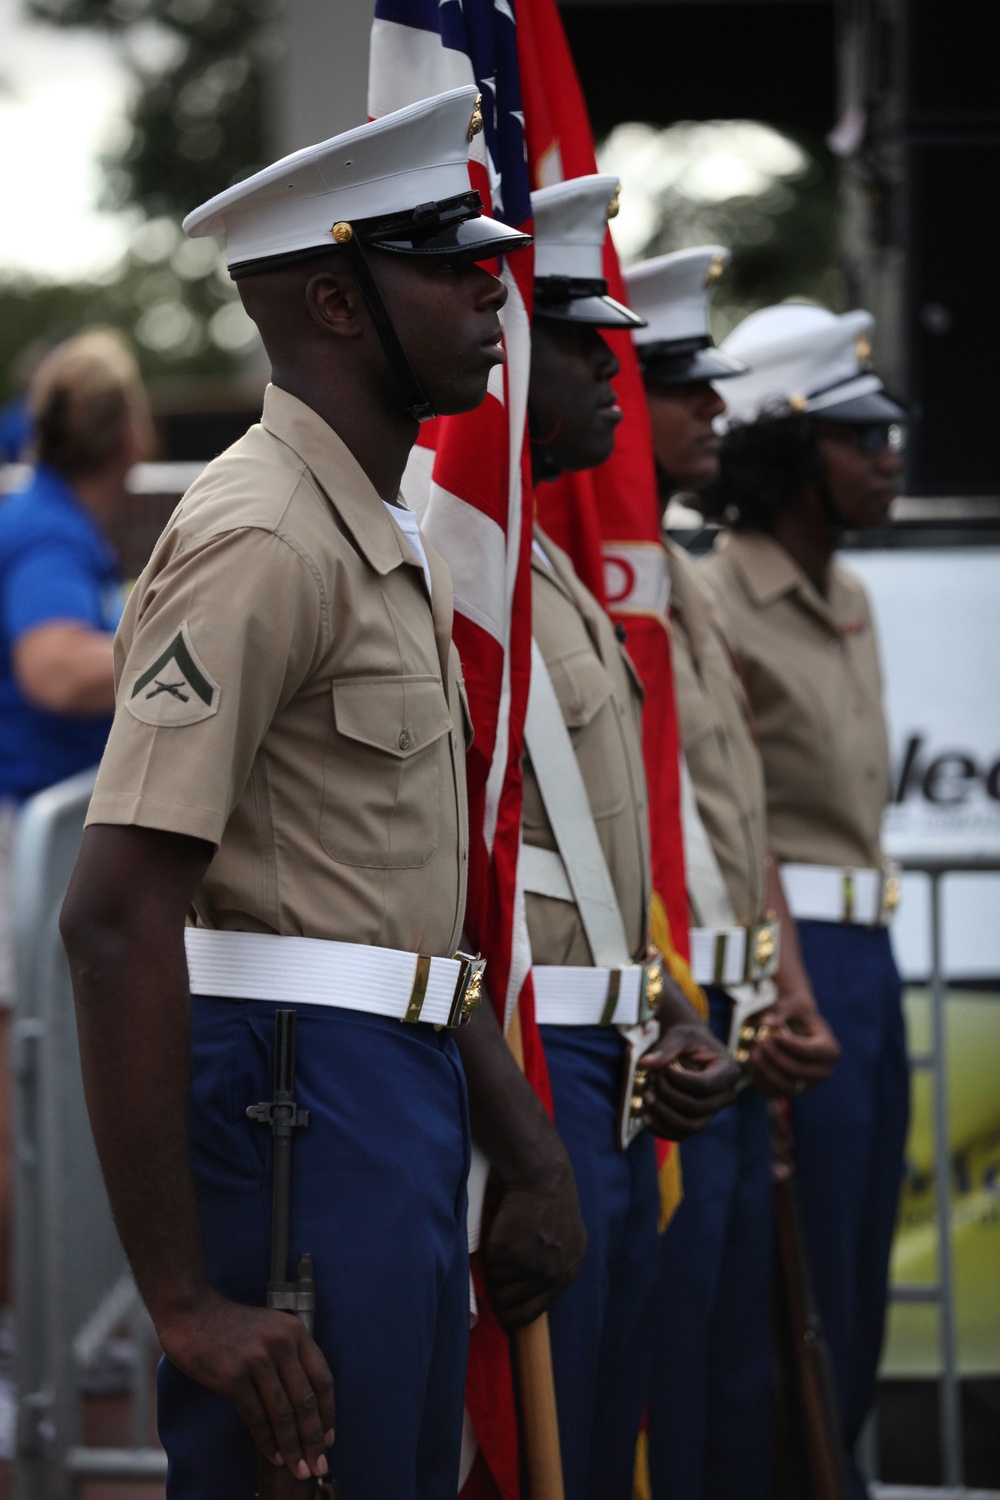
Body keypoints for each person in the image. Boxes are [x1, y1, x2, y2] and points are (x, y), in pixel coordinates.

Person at [60, 88, 586, 1500]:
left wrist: (517, 1142)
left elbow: (390, 891)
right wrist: (182, 1302)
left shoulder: (376, 532)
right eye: (449, 262)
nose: (493, 291)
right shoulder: (260, 535)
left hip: (387, 1090)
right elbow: (114, 916)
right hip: (297, 1098)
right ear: (337, 305)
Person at [522, 181, 741, 1500]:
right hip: (533, 1056)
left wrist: (671, 1008)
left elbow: (616, 855)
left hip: (623, 1044)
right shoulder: (472, 564)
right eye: (581, 345)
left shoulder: (550, 570)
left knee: (636, 1425)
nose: (610, 377)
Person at [622, 249, 840, 1500]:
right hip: (677, 1041)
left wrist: (778, 993)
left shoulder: (680, 582)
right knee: (672, 1400)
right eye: (676, 385)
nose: (715, 409)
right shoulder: (621, 588)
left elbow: (737, 831)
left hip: (732, 1028)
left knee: (735, 1387)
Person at [705, 301, 909, 1499]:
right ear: (784, 454)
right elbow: (739, 824)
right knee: (794, 1290)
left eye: (887, 430)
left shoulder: (854, 599)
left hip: (865, 954)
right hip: (789, 963)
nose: (887, 454)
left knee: (860, 1283)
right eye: (856, 434)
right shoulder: (718, 600)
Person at [0, 328, 151, 1449]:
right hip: (17, 847)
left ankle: (40, 1339)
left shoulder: (60, 522)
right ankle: (27, 1349)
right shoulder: (46, 526)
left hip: (32, 850)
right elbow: (54, 668)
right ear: (128, 433)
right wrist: (191, 639)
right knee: (17, 1113)